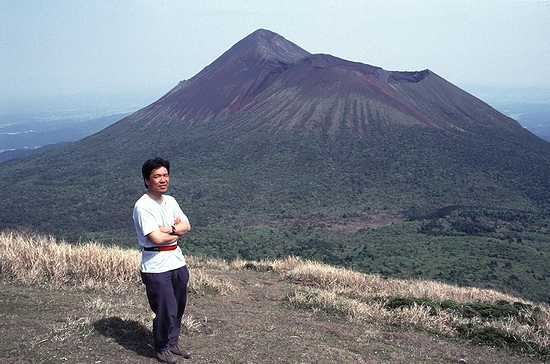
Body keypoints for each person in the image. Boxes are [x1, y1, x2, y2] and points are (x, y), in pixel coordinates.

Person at [132, 157, 192, 363]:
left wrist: (169, 230)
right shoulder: (143, 206)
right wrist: (177, 231)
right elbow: (156, 238)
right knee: (166, 307)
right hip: (155, 263)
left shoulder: (171, 201)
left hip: (176, 260)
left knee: (179, 304)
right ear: (147, 180)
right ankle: (161, 346)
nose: (162, 179)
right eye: (156, 176)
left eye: (165, 175)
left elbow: (187, 226)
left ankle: (173, 342)